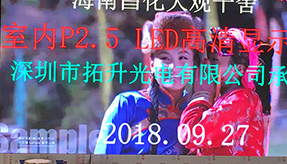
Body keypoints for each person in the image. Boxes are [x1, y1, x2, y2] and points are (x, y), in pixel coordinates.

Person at [94, 11, 204, 155]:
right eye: (165, 58)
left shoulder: (196, 110)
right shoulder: (128, 104)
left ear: (193, 64)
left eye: (183, 57)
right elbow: (102, 162)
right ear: (152, 64)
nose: (174, 67)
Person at [179, 27, 266, 156]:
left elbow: (190, 135)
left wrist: (201, 96)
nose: (207, 65)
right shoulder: (223, 99)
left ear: (239, 69)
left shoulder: (243, 99)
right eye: (209, 59)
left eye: (215, 61)